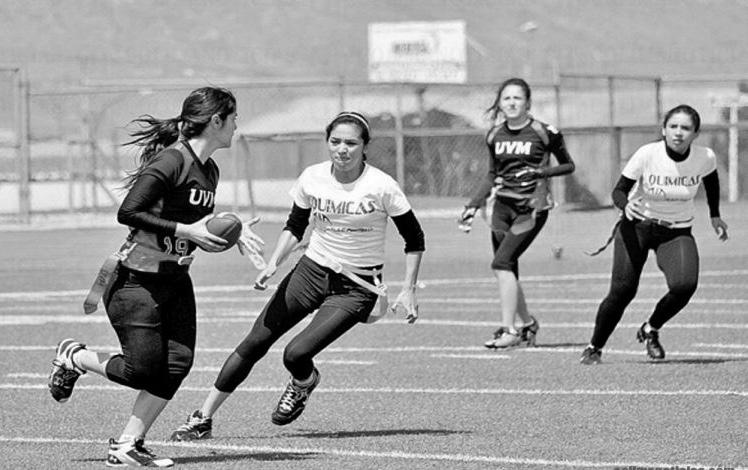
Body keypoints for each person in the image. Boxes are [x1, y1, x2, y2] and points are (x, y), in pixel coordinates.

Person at [170, 111, 425, 441]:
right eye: (335, 142)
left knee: (296, 354)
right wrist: (273, 263)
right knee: (255, 341)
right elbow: (295, 226)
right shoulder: (313, 177)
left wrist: (409, 289)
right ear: (327, 142)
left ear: (365, 146)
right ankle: (202, 418)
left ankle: (304, 381)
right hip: (311, 270)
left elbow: (414, 238)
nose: (342, 149)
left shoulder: (381, 186)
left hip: (355, 286)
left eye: (351, 143)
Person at [47, 87, 261, 467]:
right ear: (216, 120)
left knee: (178, 363)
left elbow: (195, 218)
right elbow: (129, 212)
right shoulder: (172, 160)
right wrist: (186, 231)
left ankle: (127, 445)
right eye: (233, 118)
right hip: (136, 280)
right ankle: (75, 356)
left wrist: (233, 231)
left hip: (175, 279)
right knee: (141, 370)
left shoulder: (210, 169)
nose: (236, 125)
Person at [580, 105, 728, 365]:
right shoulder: (648, 154)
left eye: (686, 128)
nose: (678, 132)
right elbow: (618, 191)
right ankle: (594, 347)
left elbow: (712, 183)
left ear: (695, 134)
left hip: (676, 230)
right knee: (623, 291)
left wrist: (715, 215)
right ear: (664, 130)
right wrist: (626, 204)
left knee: (684, 285)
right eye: (673, 126)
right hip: (637, 227)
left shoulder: (704, 157)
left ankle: (651, 328)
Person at [458, 77, 575, 349]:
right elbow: (491, 175)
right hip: (502, 208)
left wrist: (540, 172)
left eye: (517, 98)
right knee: (507, 267)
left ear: (528, 103)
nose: (512, 103)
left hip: (531, 209)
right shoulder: (494, 134)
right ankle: (527, 324)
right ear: (500, 103)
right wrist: (472, 205)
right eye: (507, 98)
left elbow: (568, 165)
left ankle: (509, 330)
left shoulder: (545, 132)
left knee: (501, 264)